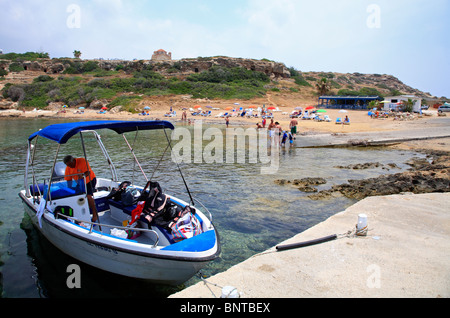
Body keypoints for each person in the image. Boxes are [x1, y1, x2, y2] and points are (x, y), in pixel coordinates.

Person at [63, 155, 99, 223]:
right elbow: (68, 181)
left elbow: (88, 172)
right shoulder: (68, 168)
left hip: (89, 180)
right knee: (76, 195)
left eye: (71, 164)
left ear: (74, 160)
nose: (70, 166)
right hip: (80, 183)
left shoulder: (82, 161)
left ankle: (95, 214)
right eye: (68, 165)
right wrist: (69, 190)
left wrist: (82, 176)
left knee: (88, 196)